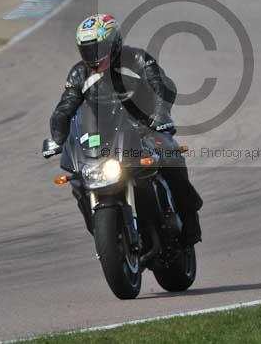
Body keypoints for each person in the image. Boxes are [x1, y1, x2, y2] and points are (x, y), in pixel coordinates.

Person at [44, 13, 203, 244]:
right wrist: (58, 138)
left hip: (144, 126)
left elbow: (161, 85)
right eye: (88, 50)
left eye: (99, 49)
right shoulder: (79, 73)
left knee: (169, 152)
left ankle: (189, 217)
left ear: (114, 43)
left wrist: (160, 115)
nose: (94, 57)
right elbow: (65, 106)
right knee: (78, 178)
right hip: (103, 134)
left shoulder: (137, 58)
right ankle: (107, 235)